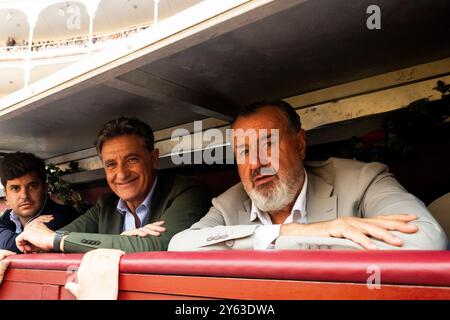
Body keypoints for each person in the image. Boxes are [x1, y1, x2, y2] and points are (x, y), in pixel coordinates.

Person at [169, 101, 448, 251]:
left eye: (267, 144)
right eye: (243, 152)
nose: (255, 163)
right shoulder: (229, 203)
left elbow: (427, 241)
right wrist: (295, 232)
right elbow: (180, 246)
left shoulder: (363, 180)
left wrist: (260, 243)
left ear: (300, 145)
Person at [15, 117, 210, 253]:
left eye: (132, 159)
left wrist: (55, 241)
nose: (122, 174)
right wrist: (35, 239)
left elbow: (157, 245)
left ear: (153, 158)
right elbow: (61, 236)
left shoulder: (188, 193)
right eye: (111, 164)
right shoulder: (106, 205)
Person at [0, 152, 80, 253]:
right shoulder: (7, 217)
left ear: (45, 188)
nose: (24, 195)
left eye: (32, 186)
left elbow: (28, 244)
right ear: (6, 194)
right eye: (15, 188)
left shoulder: (65, 215)